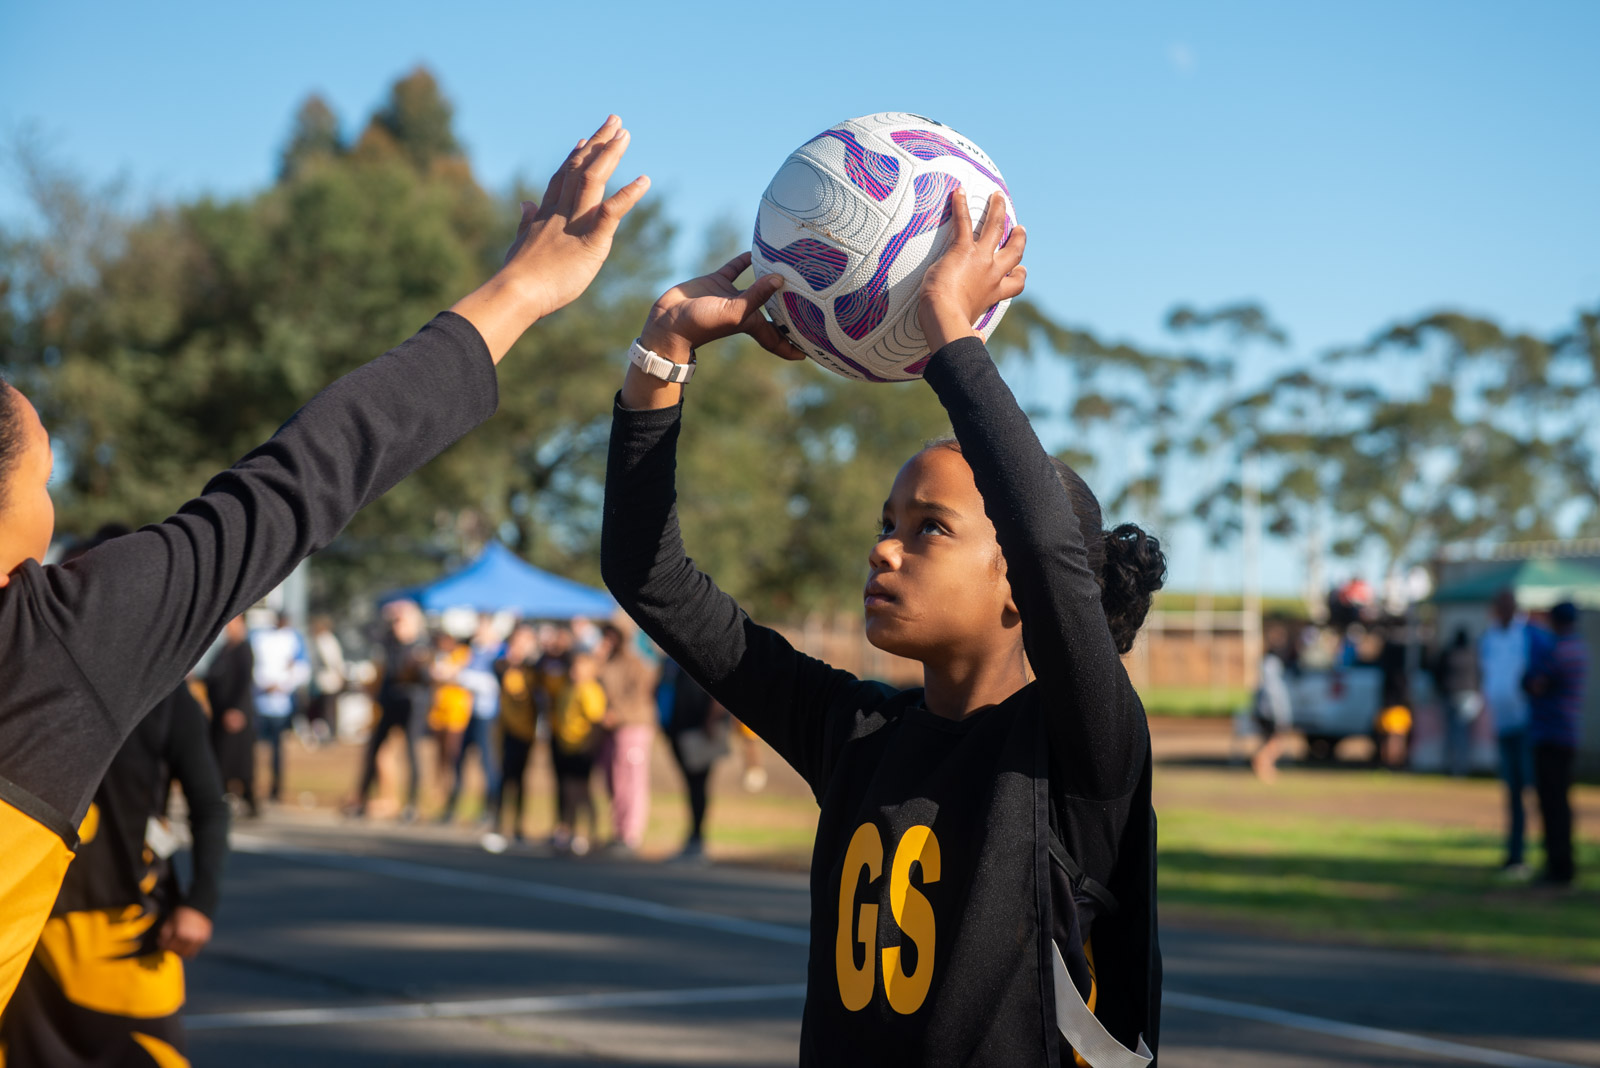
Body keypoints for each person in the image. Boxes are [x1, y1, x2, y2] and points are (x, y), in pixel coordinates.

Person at [0, 112, 647, 1009]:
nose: (53, 508)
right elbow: (311, 470)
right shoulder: (49, 646)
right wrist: (518, 291)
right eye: (42, 476)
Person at [602, 194, 1163, 1065]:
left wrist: (949, 333)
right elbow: (648, 577)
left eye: (928, 527)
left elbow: (1050, 549)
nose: (884, 550)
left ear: (1018, 580)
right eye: (886, 523)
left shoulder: (1085, 751)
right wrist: (663, 350)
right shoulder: (854, 733)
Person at [0, 683, 229, 1067]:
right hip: (24, 920)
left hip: (126, 930)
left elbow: (209, 805)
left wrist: (200, 903)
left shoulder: (164, 688)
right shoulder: (28, 671)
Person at [1523, 601, 1587, 887]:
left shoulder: (1556, 651)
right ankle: (1563, 864)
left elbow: (1533, 683)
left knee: (1552, 804)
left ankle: (1558, 867)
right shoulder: (1578, 650)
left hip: (1550, 735)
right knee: (1560, 802)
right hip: (1567, 736)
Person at [1480, 588, 1534, 876]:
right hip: (1503, 724)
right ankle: (1515, 854)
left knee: (1531, 790)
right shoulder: (1489, 637)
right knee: (1512, 793)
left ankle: (1546, 858)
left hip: (1527, 724)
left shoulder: (1527, 634)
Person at [596, 618, 659, 853]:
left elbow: (641, 697)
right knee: (615, 781)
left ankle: (630, 834)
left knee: (632, 781)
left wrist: (617, 714)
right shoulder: (605, 662)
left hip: (633, 726)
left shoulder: (635, 664)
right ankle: (618, 830)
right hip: (611, 730)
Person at [659, 658, 728, 861]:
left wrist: (711, 719)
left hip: (700, 732)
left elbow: (720, 692)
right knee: (690, 786)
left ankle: (697, 841)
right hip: (678, 731)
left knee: (698, 786)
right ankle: (692, 838)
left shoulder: (706, 655)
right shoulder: (670, 661)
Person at [445, 615, 504, 824]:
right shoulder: (475, 652)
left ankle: (491, 810)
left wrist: (462, 678)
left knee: (487, 763)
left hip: (488, 715)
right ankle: (452, 807)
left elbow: (492, 685)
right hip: (469, 713)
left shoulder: (498, 653)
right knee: (459, 759)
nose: (478, 631)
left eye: (482, 627)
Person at [486, 622, 540, 850]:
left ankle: (518, 826)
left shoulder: (536, 667)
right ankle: (498, 824)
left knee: (521, 778)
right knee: (504, 776)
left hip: (527, 729)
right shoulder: (503, 665)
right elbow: (498, 669)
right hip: (506, 728)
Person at [549, 650, 607, 855]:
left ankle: (589, 834)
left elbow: (596, 721)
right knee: (566, 790)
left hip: (582, 748)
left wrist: (589, 747)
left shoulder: (590, 690)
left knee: (581, 791)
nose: (576, 671)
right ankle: (566, 829)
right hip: (564, 746)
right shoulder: (567, 688)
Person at [251, 611, 310, 803]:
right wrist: (264, 684)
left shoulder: (294, 638)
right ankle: (252, 787)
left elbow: (302, 670)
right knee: (255, 748)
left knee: (277, 749)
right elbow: (253, 665)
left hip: (281, 705)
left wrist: (282, 685)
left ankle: (275, 789)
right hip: (259, 702)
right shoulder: (260, 637)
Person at [205, 615, 259, 815]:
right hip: (220, 713)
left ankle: (249, 798)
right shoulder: (224, 650)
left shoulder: (244, 649)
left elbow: (244, 682)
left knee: (239, 760)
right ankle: (224, 796)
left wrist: (236, 709)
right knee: (221, 758)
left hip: (236, 713)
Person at [428, 632, 474, 808]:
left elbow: (458, 675)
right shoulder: (437, 655)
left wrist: (447, 674)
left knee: (452, 754)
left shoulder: (463, 654)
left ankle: (453, 793)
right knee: (439, 754)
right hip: (439, 712)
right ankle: (439, 788)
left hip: (456, 714)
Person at [1430, 628, 1480, 777]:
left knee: (1451, 734)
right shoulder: (1472, 654)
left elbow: (1436, 672)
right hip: (1467, 695)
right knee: (1462, 734)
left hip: (1450, 694)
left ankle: (1450, 766)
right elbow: (1481, 674)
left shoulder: (1448, 653)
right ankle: (1461, 768)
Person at [1251, 627, 1294, 783]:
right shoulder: (1272, 664)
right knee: (1276, 742)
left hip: (1264, 709)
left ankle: (1266, 768)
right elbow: (1274, 691)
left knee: (1268, 740)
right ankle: (1261, 761)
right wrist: (1281, 713)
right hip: (1271, 711)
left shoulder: (1265, 663)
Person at [308, 615, 348, 741]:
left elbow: (332, 661)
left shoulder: (324, 640)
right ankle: (328, 734)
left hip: (328, 679)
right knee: (328, 708)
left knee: (328, 709)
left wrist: (339, 674)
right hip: (327, 680)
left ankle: (329, 734)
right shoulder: (326, 639)